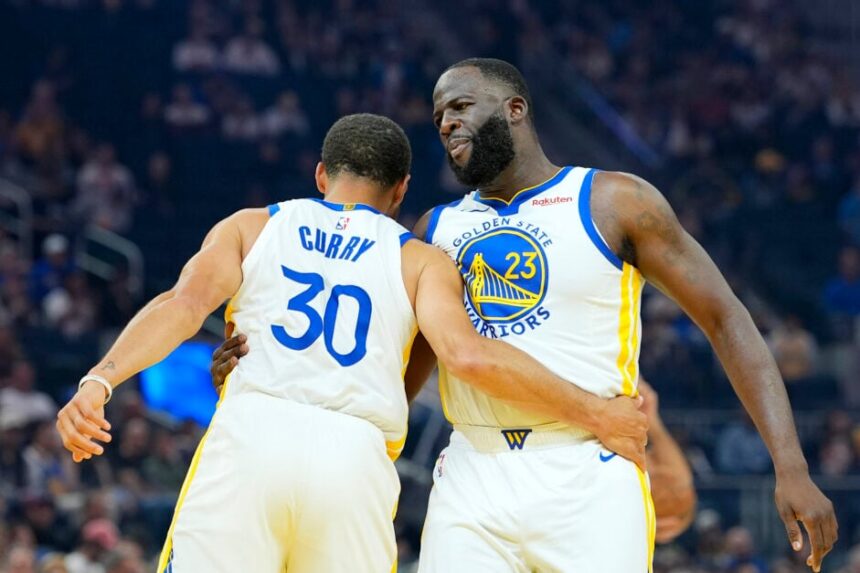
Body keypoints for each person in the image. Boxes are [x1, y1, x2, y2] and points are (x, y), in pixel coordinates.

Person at [56, 114, 647, 573]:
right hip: (355, 456)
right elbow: (469, 357)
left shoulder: (252, 226)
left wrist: (100, 380)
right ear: (400, 191)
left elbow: (181, 307)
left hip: (252, 434)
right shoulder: (421, 261)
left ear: (320, 175)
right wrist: (596, 411)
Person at [411, 57, 835, 573]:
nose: (447, 124)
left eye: (459, 107)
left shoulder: (615, 201)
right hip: (471, 470)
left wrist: (790, 466)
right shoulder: (435, 228)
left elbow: (726, 319)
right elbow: (411, 363)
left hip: (588, 465)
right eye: (438, 119)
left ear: (514, 108)